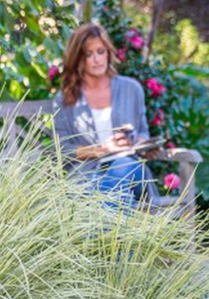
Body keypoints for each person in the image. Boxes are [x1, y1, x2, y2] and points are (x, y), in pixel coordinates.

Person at [53, 23, 161, 208]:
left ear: (108, 53)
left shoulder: (131, 88)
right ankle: (110, 225)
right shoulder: (66, 100)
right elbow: (62, 150)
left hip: (131, 171)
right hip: (87, 178)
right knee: (116, 194)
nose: (96, 59)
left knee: (121, 167)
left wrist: (141, 144)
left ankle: (100, 221)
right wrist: (102, 149)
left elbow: (143, 132)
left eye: (101, 51)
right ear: (77, 58)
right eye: (88, 54)